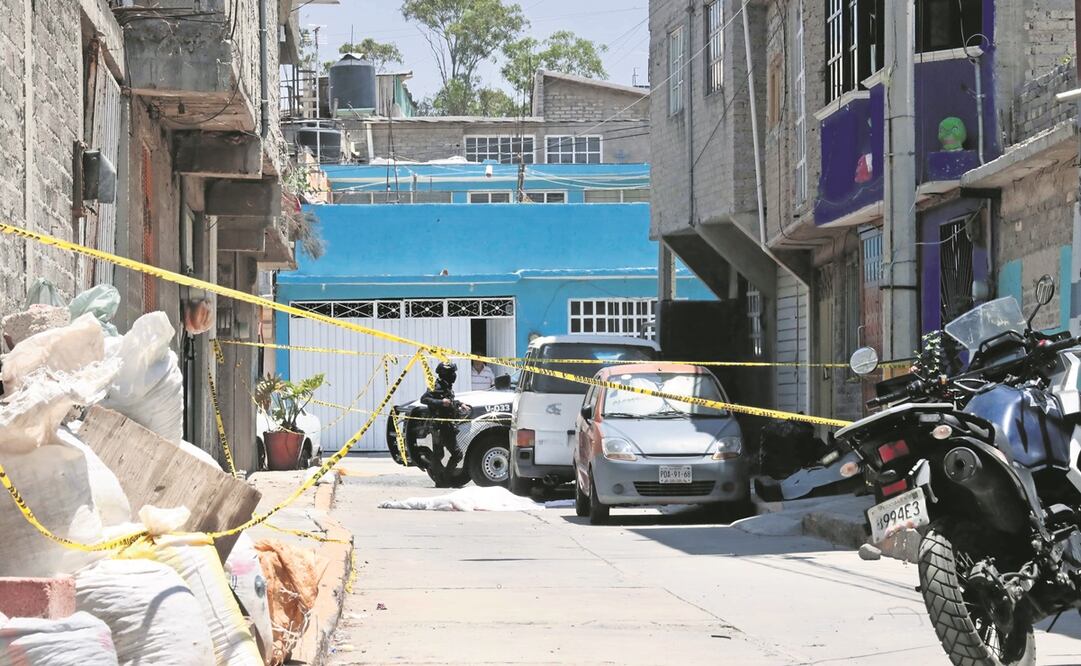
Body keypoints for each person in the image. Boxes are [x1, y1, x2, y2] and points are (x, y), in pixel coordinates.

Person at [419, 362, 465, 486]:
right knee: (456, 454)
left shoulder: (446, 386)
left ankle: (441, 480)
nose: (454, 375)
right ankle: (443, 479)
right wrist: (440, 402)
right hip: (440, 426)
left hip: (446, 425)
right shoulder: (437, 385)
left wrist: (460, 404)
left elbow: (449, 401)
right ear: (446, 374)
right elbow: (424, 399)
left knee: (439, 454)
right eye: (452, 373)